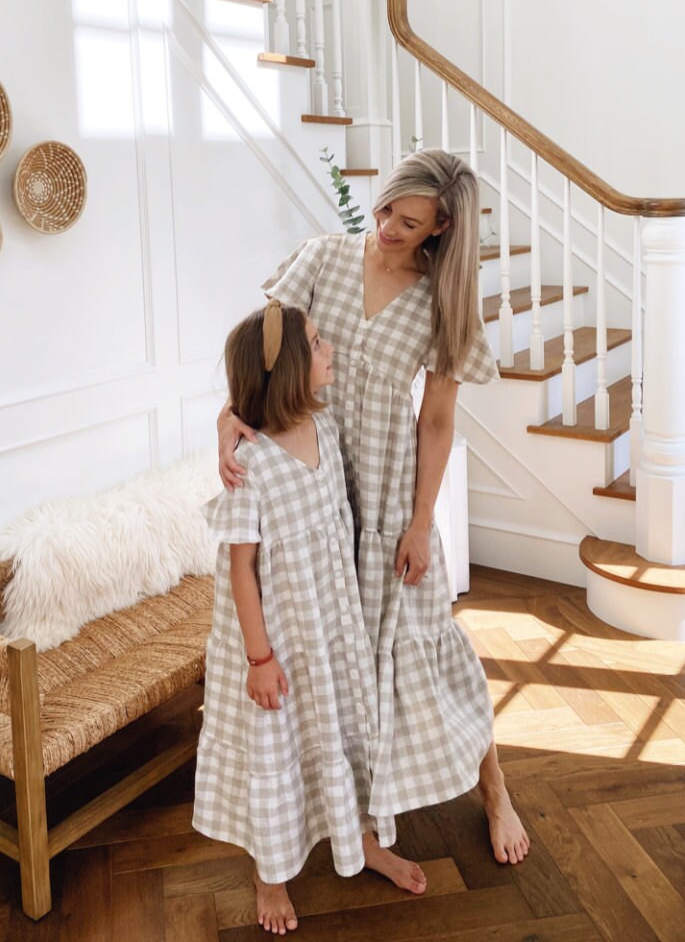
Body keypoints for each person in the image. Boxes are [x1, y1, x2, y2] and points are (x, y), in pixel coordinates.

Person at [218, 149, 530, 873]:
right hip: (312, 477)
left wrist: (422, 522)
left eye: (409, 220)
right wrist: (227, 421)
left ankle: (493, 788)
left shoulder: (442, 301)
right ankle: (353, 811)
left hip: (387, 488)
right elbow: (262, 356)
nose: (387, 227)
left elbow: (437, 421)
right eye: (386, 208)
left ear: (440, 226)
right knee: (336, 655)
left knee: (428, 644)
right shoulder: (321, 259)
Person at [194, 301, 425, 937]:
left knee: (348, 730)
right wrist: (260, 659)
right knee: (279, 748)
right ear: (295, 369)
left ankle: (362, 839)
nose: (331, 352)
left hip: (331, 627)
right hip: (280, 642)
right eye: (320, 345)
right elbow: (242, 572)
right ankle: (270, 875)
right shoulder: (254, 465)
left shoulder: (325, 427)